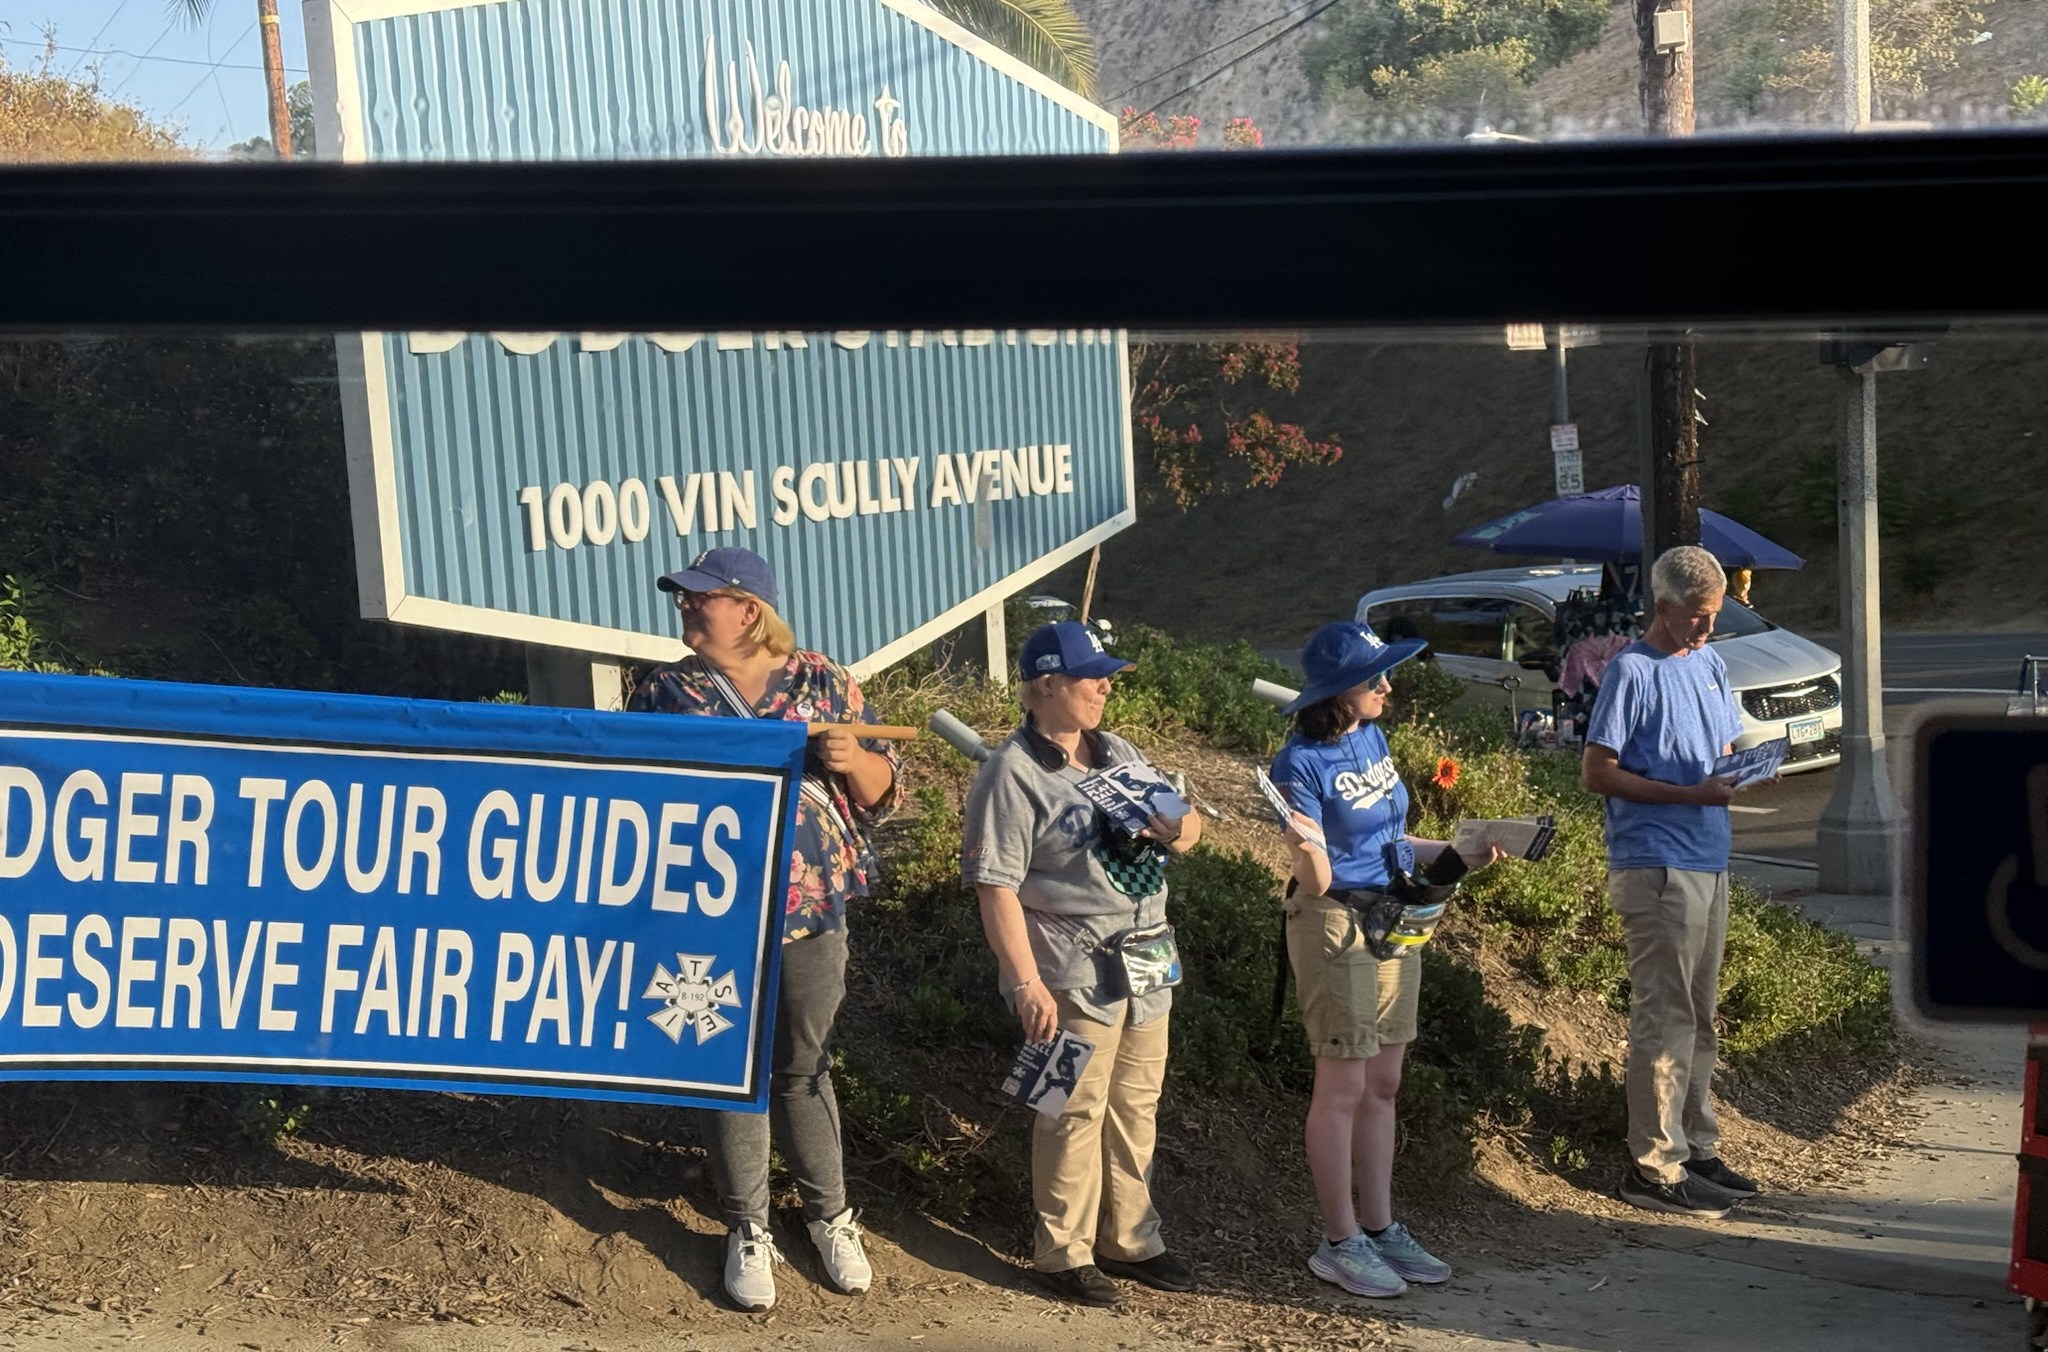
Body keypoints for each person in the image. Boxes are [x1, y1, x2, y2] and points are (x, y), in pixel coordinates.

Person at [627, 546, 902, 1312]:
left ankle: (828, 1215)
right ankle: (747, 1226)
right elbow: (632, 794)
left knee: (803, 1065)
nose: (684, 607)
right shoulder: (665, 690)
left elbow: (884, 790)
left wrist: (851, 759)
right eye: (683, 597)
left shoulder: (823, 679)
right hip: (708, 916)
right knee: (727, 1066)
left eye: (699, 598)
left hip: (811, 912)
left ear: (748, 609)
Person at [960, 621, 1203, 1308]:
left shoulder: (1118, 749)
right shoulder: (1010, 773)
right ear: (1046, 684)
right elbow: (995, 886)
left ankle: (1130, 1237)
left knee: (1137, 1102)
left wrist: (1174, 825)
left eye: (1107, 674)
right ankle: (1061, 1251)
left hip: (1149, 955)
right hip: (1070, 968)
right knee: (1067, 1103)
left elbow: (1190, 832)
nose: (1105, 686)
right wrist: (1024, 980)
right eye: (1092, 675)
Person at [1268, 621, 1499, 1299]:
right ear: (1341, 690)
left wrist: (1460, 850)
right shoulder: (1297, 763)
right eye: (1377, 678)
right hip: (1335, 919)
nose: (1388, 687)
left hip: (1397, 915)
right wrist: (1304, 845)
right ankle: (1338, 1240)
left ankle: (1380, 1226)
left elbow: (1393, 836)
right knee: (1341, 1084)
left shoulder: (1372, 737)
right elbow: (1313, 876)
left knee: (1384, 1082)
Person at [1580, 544, 1762, 1218]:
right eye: (1698, 618)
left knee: (1701, 1014)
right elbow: (1597, 772)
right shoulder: (1633, 672)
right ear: (1663, 608)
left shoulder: (1709, 664)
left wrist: (1751, 767)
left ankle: (1695, 1145)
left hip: (1708, 857)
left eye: (1715, 617)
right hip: (1656, 862)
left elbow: (1723, 751)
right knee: (1664, 1012)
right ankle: (1653, 1166)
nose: (1707, 630)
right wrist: (1690, 796)